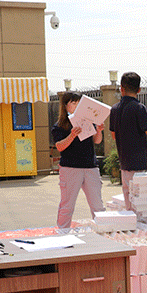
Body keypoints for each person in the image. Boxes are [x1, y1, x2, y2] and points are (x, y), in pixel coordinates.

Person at [52, 90, 106, 229]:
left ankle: (102, 230)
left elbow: (97, 141)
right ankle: (62, 231)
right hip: (70, 168)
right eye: (73, 103)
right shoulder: (60, 125)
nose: (76, 105)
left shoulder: (88, 121)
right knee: (67, 204)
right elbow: (59, 146)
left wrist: (99, 131)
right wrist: (71, 136)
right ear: (65, 105)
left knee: (97, 204)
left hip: (90, 166)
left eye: (78, 102)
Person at [109, 71, 147, 211]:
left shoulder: (114, 109)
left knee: (129, 204)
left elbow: (113, 135)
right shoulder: (139, 108)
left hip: (124, 163)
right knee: (143, 206)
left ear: (121, 88)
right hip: (140, 164)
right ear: (139, 89)